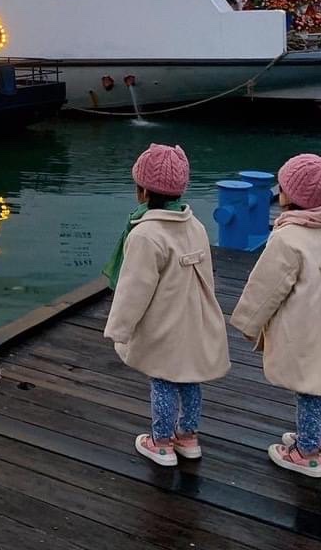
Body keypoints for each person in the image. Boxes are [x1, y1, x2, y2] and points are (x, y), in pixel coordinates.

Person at [231, 154, 321, 478]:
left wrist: (248, 323)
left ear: (294, 197)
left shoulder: (287, 239)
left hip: (305, 331)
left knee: (308, 388)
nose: (280, 191)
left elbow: (266, 287)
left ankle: (306, 452)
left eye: (284, 186)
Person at [104, 144, 230, 466]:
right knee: (189, 379)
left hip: (163, 324)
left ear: (142, 190)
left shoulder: (146, 235)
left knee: (162, 380)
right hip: (193, 319)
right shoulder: (196, 226)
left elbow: (134, 289)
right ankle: (188, 437)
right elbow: (206, 278)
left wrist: (119, 329)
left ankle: (160, 442)